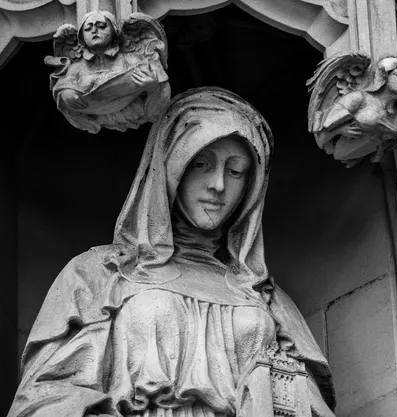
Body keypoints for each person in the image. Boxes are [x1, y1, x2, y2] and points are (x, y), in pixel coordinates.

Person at [8, 87, 335, 417]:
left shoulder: (266, 298)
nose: (218, 185)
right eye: (201, 163)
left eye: (235, 171)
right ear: (170, 166)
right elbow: (41, 398)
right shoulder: (100, 274)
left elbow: (309, 406)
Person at [48, 10, 170, 133]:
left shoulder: (131, 58)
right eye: (87, 29)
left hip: (132, 111)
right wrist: (65, 92)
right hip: (93, 114)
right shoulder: (78, 67)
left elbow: (160, 85)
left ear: (114, 30)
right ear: (82, 37)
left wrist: (153, 87)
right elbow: (63, 84)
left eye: (101, 26)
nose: (94, 31)